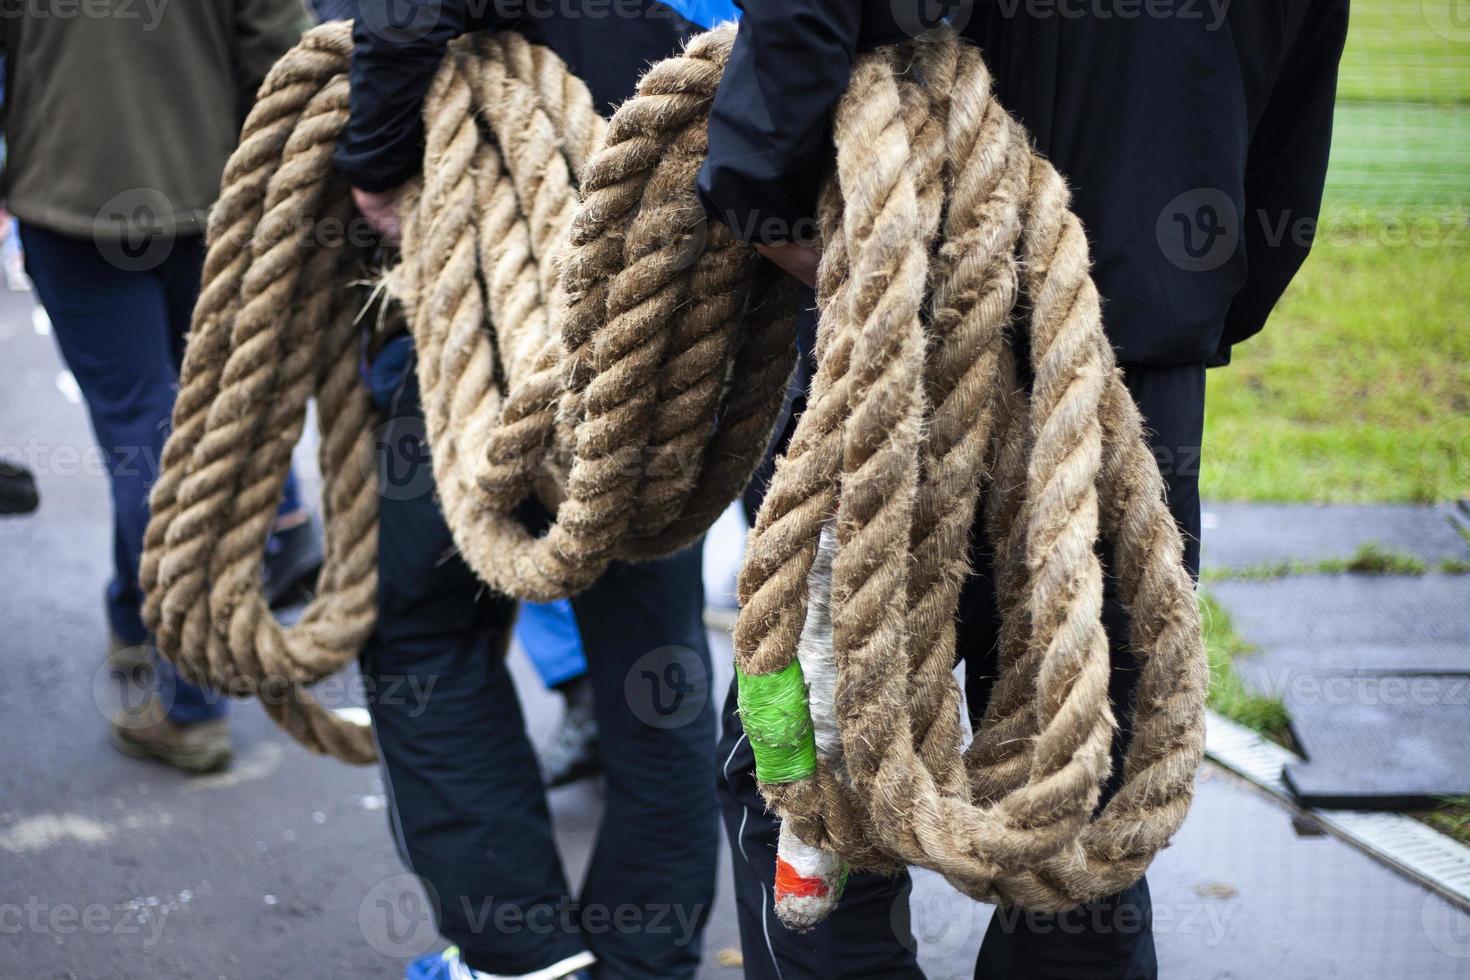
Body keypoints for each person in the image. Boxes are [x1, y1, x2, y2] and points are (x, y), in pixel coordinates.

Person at [697, 1, 1347, 977]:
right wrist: (1175, 303)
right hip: (1133, 369)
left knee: (814, 786)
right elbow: (1287, 136)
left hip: (898, 348)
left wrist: (762, 195)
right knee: (1077, 808)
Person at [337, 3, 732, 977]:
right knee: (657, 658)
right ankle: (646, 957)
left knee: (420, 627)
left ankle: (518, 948)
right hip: (676, 301)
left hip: (489, 314)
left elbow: (408, 16)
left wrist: (375, 161)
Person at [1, 1, 322, 773]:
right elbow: (277, 48)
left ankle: (190, 704)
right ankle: (137, 618)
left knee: (142, 431)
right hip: (210, 193)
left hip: (73, 197)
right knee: (177, 426)